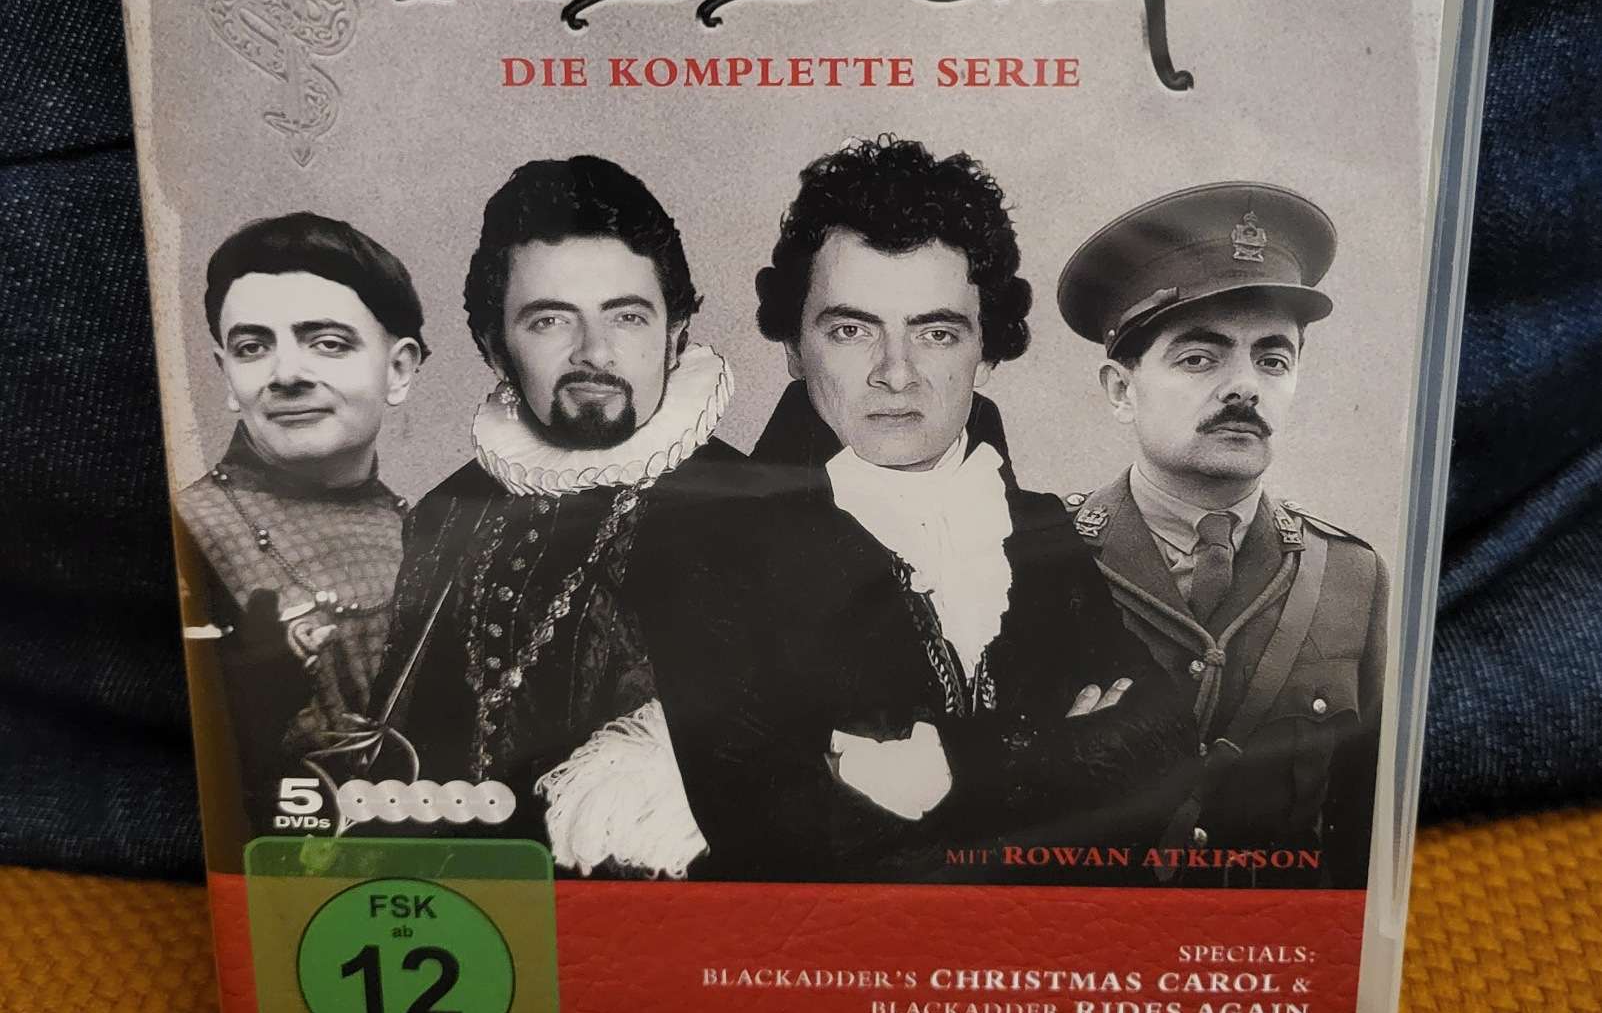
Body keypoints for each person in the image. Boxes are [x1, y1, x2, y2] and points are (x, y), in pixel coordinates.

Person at [632, 136, 1191, 882]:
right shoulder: (706, 536)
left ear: (987, 351)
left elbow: (1166, 743)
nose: (896, 374)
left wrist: (956, 767)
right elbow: (782, 844)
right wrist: (1067, 766)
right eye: (851, 330)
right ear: (794, 346)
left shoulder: (1038, 525)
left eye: (935, 333)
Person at [371, 156, 742, 876]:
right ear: (494, 348)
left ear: (675, 334)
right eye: (549, 320)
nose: (594, 353)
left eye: (627, 317)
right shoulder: (444, 516)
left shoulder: (760, 516)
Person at [1057, 183, 1389, 886]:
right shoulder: (1028, 557)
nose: (1245, 387)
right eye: (1200, 358)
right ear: (1121, 390)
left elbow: (1362, 845)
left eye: (1273, 360)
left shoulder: (1352, 578)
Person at [175, 213, 426, 819]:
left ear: (397, 369)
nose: (286, 375)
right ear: (227, 376)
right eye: (252, 348)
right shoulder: (189, 531)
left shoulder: (430, 532)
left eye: (328, 343)